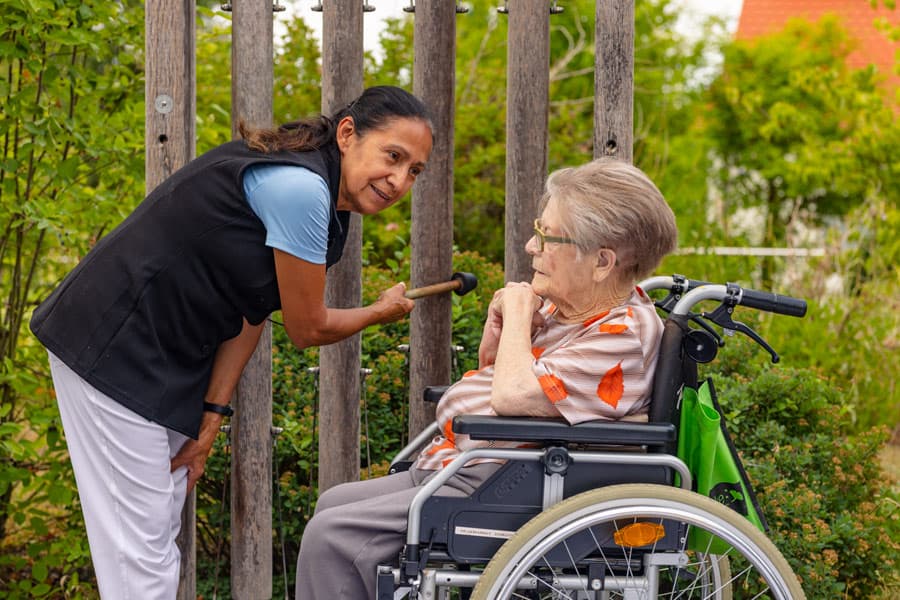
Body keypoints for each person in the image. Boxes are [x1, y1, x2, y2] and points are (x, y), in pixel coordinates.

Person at [29, 85, 433, 599]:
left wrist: (212, 414)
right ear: (349, 134)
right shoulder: (302, 189)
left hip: (162, 355)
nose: (399, 180)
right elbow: (306, 329)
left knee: (155, 529)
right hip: (111, 345)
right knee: (140, 553)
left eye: (414, 170)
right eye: (393, 156)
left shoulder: (329, 198)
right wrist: (379, 312)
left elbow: (253, 308)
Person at [294, 157, 679, 599]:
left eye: (546, 236)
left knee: (332, 536)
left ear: (601, 261)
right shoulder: (575, 311)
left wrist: (517, 313)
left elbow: (514, 397)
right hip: (477, 465)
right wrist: (500, 332)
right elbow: (499, 378)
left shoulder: (621, 335)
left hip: (510, 483)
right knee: (333, 504)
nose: (531, 247)